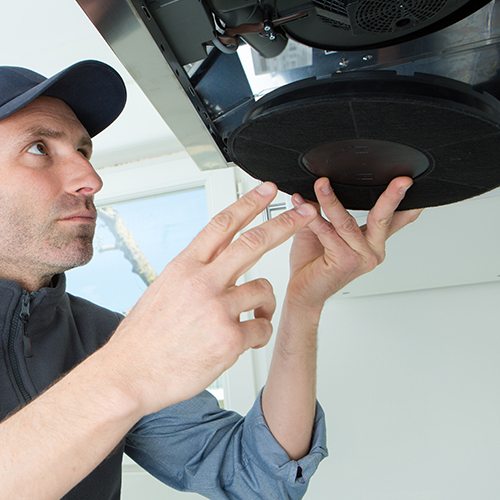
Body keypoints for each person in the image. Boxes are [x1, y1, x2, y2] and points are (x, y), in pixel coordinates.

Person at [0, 60, 422, 500]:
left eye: (84, 152)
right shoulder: (124, 353)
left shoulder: (104, 338)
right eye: (39, 149)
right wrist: (128, 371)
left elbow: (255, 479)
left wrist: (305, 304)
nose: (91, 179)